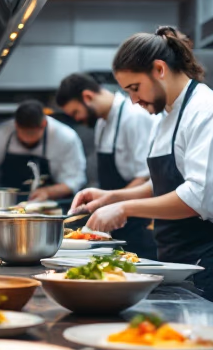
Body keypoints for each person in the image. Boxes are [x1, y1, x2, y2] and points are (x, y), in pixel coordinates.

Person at [74, 27, 213, 313]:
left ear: (159, 69)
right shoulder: (168, 116)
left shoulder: (209, 114)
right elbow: (166, 183)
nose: (133, 100)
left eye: (134, 88)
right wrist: (112, 197)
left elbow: (197, 199)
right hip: (177, 261)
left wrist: (125, 209)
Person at [57, 72, 161, 260]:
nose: (77, 119)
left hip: (137, 221)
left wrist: (112, 205)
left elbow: (147, 176)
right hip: (115, 220)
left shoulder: (134, 116)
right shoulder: (102, 124)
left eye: (75, 112)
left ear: (87, 97)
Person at [0, 100, 86, 202]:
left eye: (32, 133)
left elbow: (74, 180)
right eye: (23, 133)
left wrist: (48, 192)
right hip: (6, 205)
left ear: (44, 124)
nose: (27, 139)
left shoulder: (65, 138)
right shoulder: (1, 133)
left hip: (49, 209)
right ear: (15, 125)